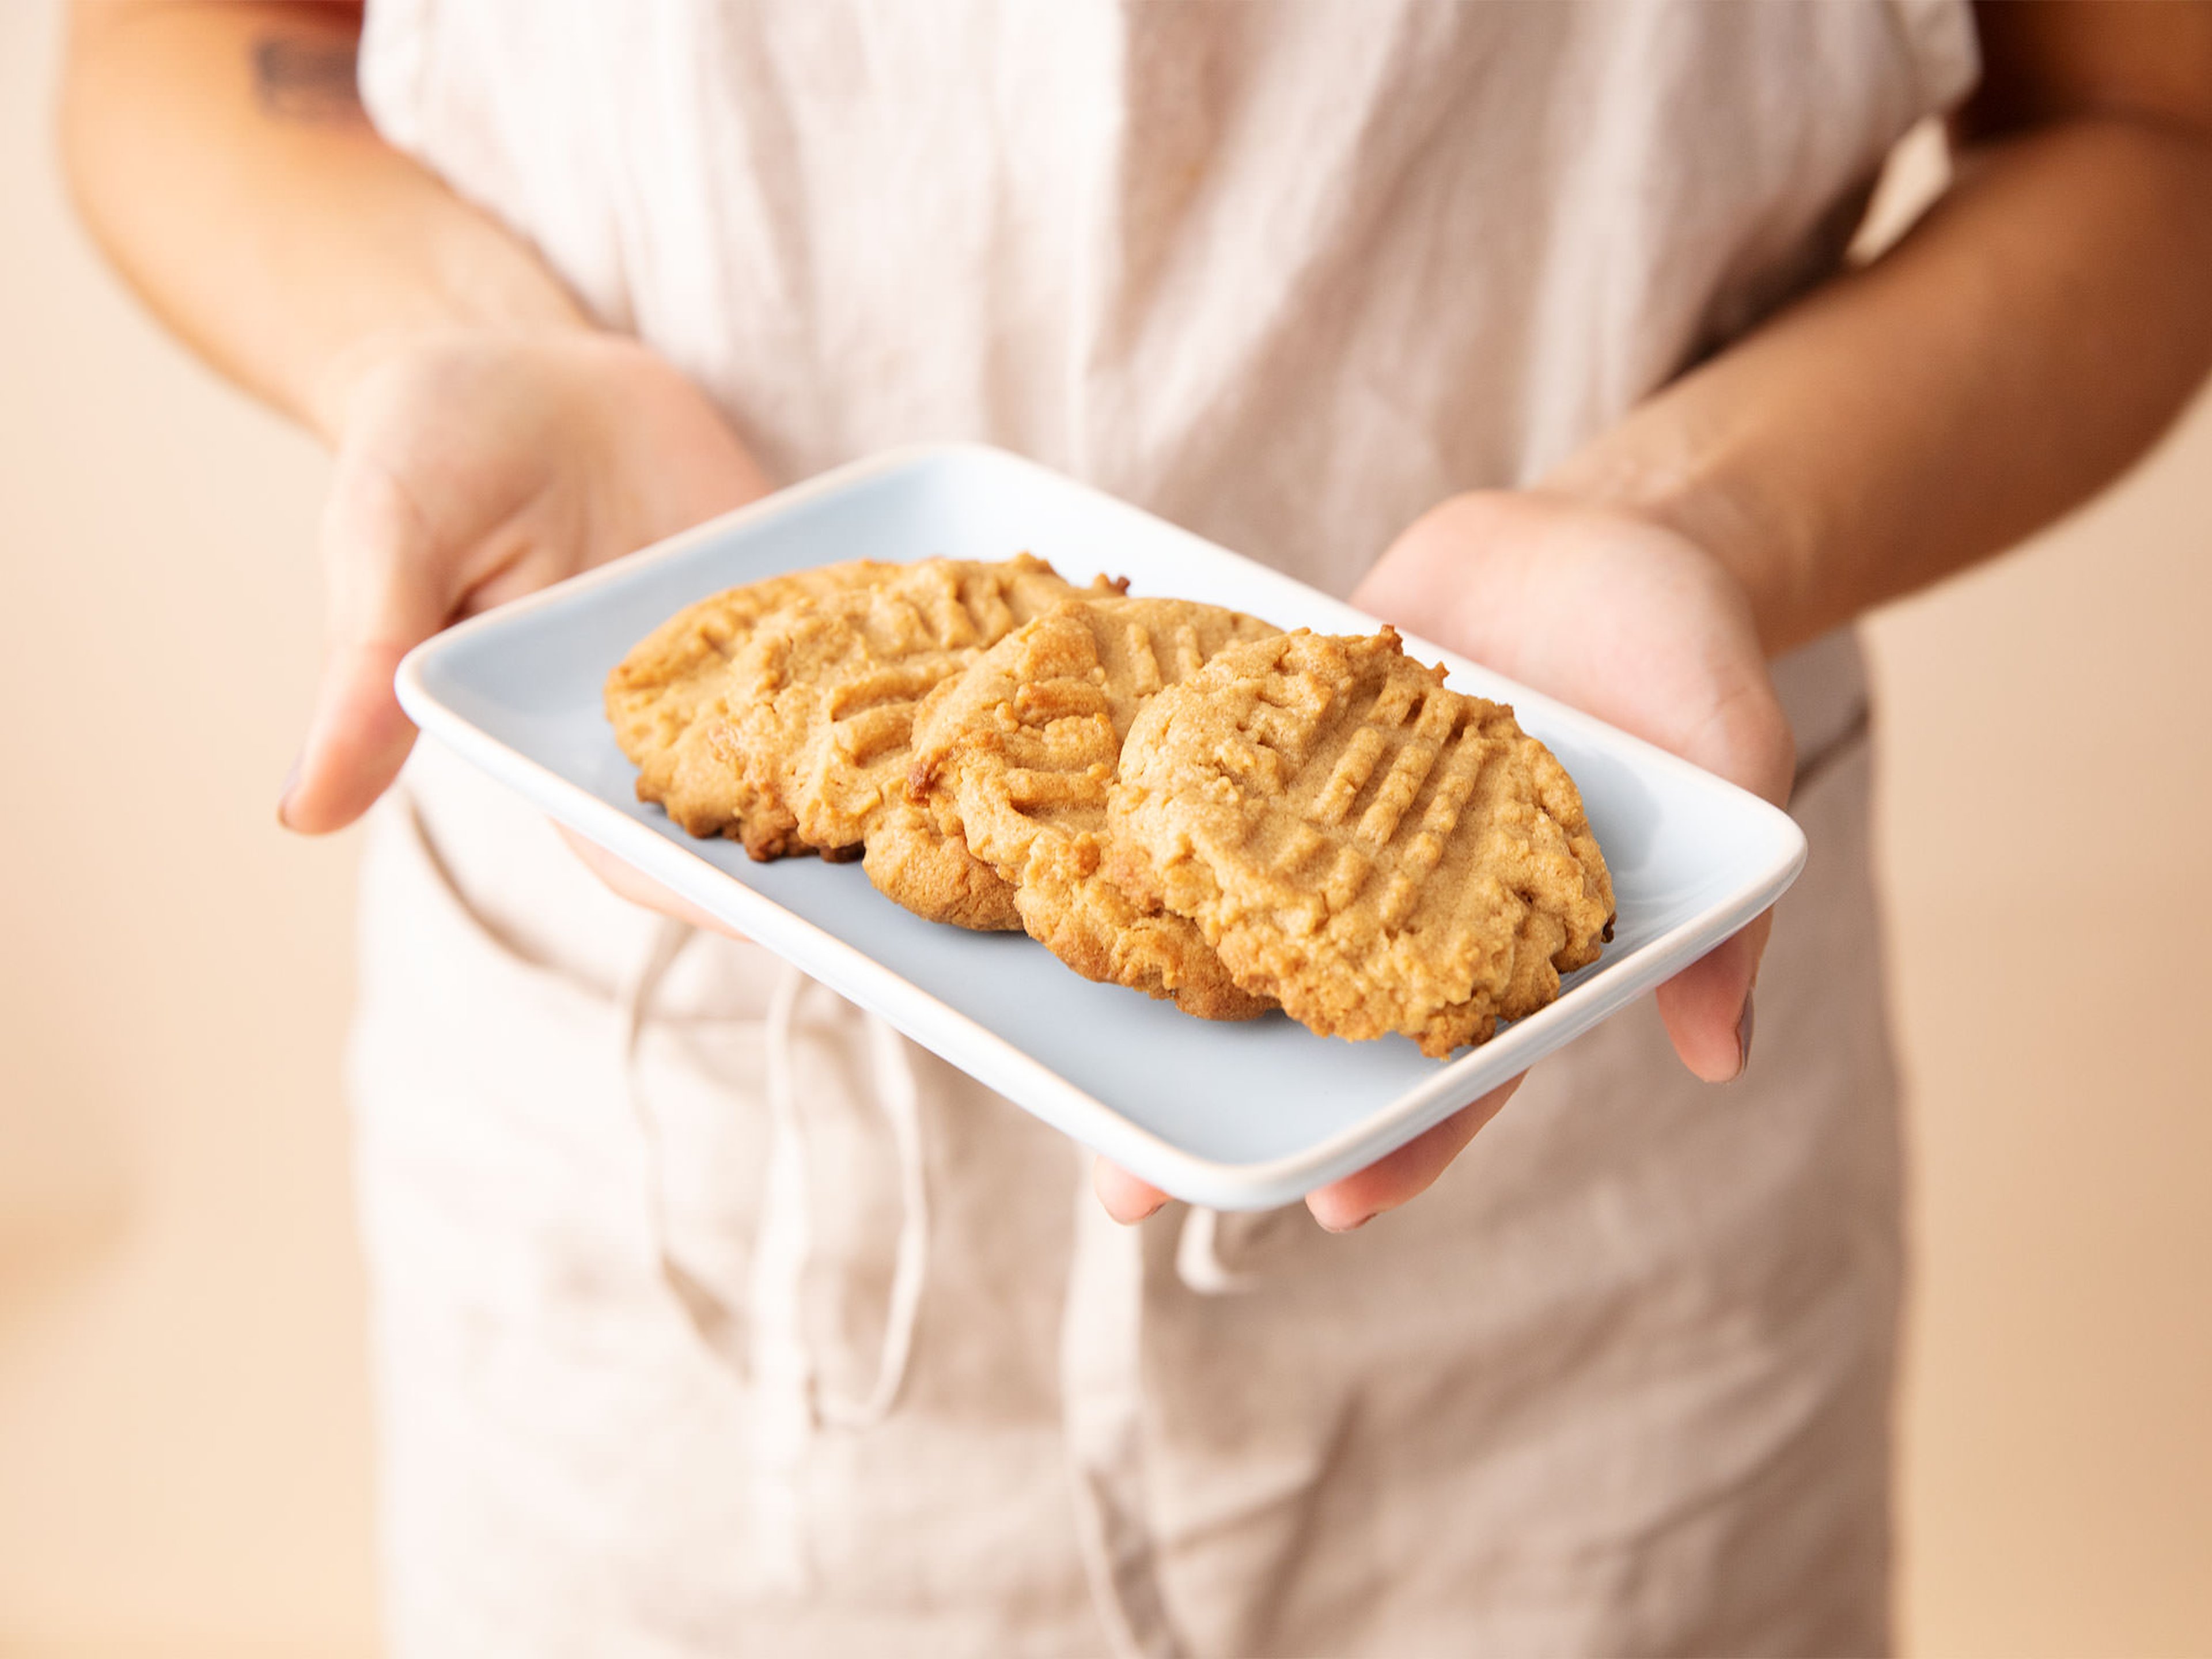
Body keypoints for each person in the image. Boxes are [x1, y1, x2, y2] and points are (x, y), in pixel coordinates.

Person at [60, 1, 2212, 1652]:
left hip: (1594, 1246)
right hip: (671, 1225)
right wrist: (452, 345)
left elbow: (2144, 116)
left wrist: (1697, 518)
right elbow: (177, 47)